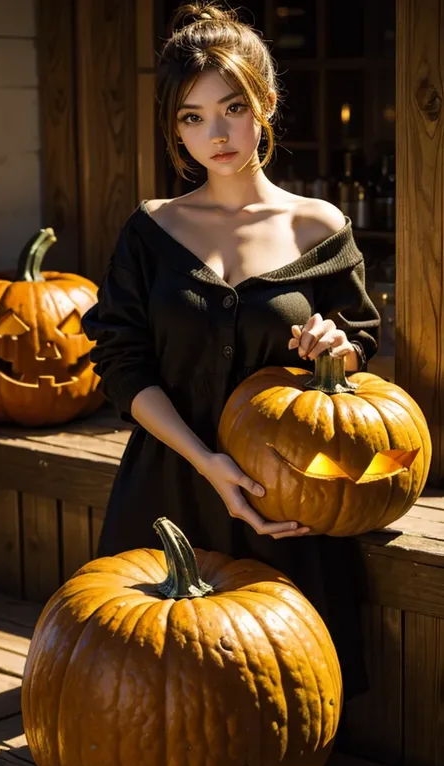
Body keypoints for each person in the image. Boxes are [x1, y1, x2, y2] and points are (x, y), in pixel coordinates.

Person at [82, 1, 380, 701]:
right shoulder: (152, 229)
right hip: (171, 485)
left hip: (288, 501)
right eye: (191, 116)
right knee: (145, 704)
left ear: (267, 103)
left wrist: (338, 348)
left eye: (232, 108)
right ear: (174, 127)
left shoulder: (320, 226)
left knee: (276, 700)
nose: (213, 133)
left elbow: (358, 341)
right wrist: (209, 463)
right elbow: (123, 365)